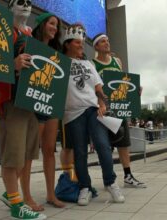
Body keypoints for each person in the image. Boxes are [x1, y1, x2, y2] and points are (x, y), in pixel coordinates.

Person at [62, 24, 125, 206]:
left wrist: (103, 103)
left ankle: (111, 182)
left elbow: (98, 87)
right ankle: (84, 187)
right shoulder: (61, 63)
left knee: (103, 146)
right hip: (72, 113)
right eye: (77, 42)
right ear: (67, 44)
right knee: (80, 151)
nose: (82, 45)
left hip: (92, 109)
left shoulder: (88, 64)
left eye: (82, 42)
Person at [0, 0, 46, 219]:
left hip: (30, 102)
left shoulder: (30, 35)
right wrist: (12, 64)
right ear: (10, 7)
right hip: (12, 100)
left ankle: (11, 194)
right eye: (19, 2)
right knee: (13, 154)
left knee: (26, 153)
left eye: (28, 2)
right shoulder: (2, 30)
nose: (25, 5)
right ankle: (17, 205)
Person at [92, 34, 146, 188]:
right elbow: (93, 87)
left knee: (123, 143)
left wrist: (135, 89)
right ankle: (109, 178)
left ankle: (128, 175)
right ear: (96, 46)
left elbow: (123, 81)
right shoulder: (93, 64)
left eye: (108, 40)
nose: (107, 43)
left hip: (118, 109)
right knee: (105, 146)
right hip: (103, 110)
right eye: (103, 41)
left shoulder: (117, 61)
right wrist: (99, 104)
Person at [31, 12, 65, 208]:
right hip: (33, 103)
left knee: (49, 150)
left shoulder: (57, 51)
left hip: (51, 103)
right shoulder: (28, 43)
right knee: (30, 150)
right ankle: (18, 194)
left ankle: (51, 194)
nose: (54, 27)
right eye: (52, 23)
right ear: (42, 23)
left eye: (56, 25)